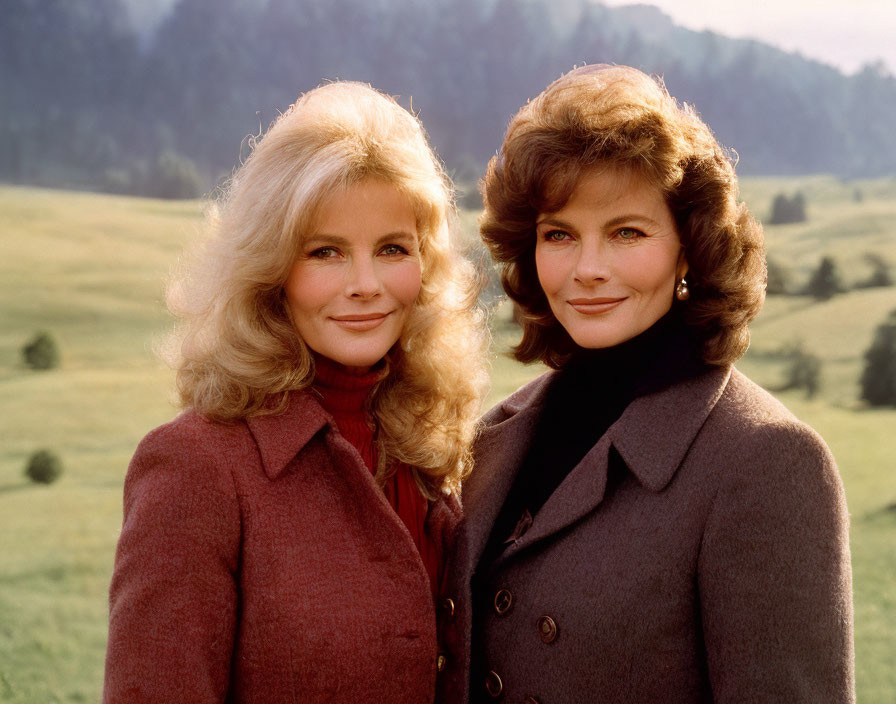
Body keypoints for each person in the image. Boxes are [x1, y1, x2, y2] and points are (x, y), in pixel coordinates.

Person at [439, 65, 854, 703]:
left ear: (689, 248)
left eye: (626, 232)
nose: (588, 269)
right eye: (559, 235)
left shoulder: (767, 461)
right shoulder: (494, 434)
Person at [103, 81, 487, 703]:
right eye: (325, 252)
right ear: (271, 269)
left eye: (393, 248)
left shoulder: (436, 447)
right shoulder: (195, 468)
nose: (365, 284)